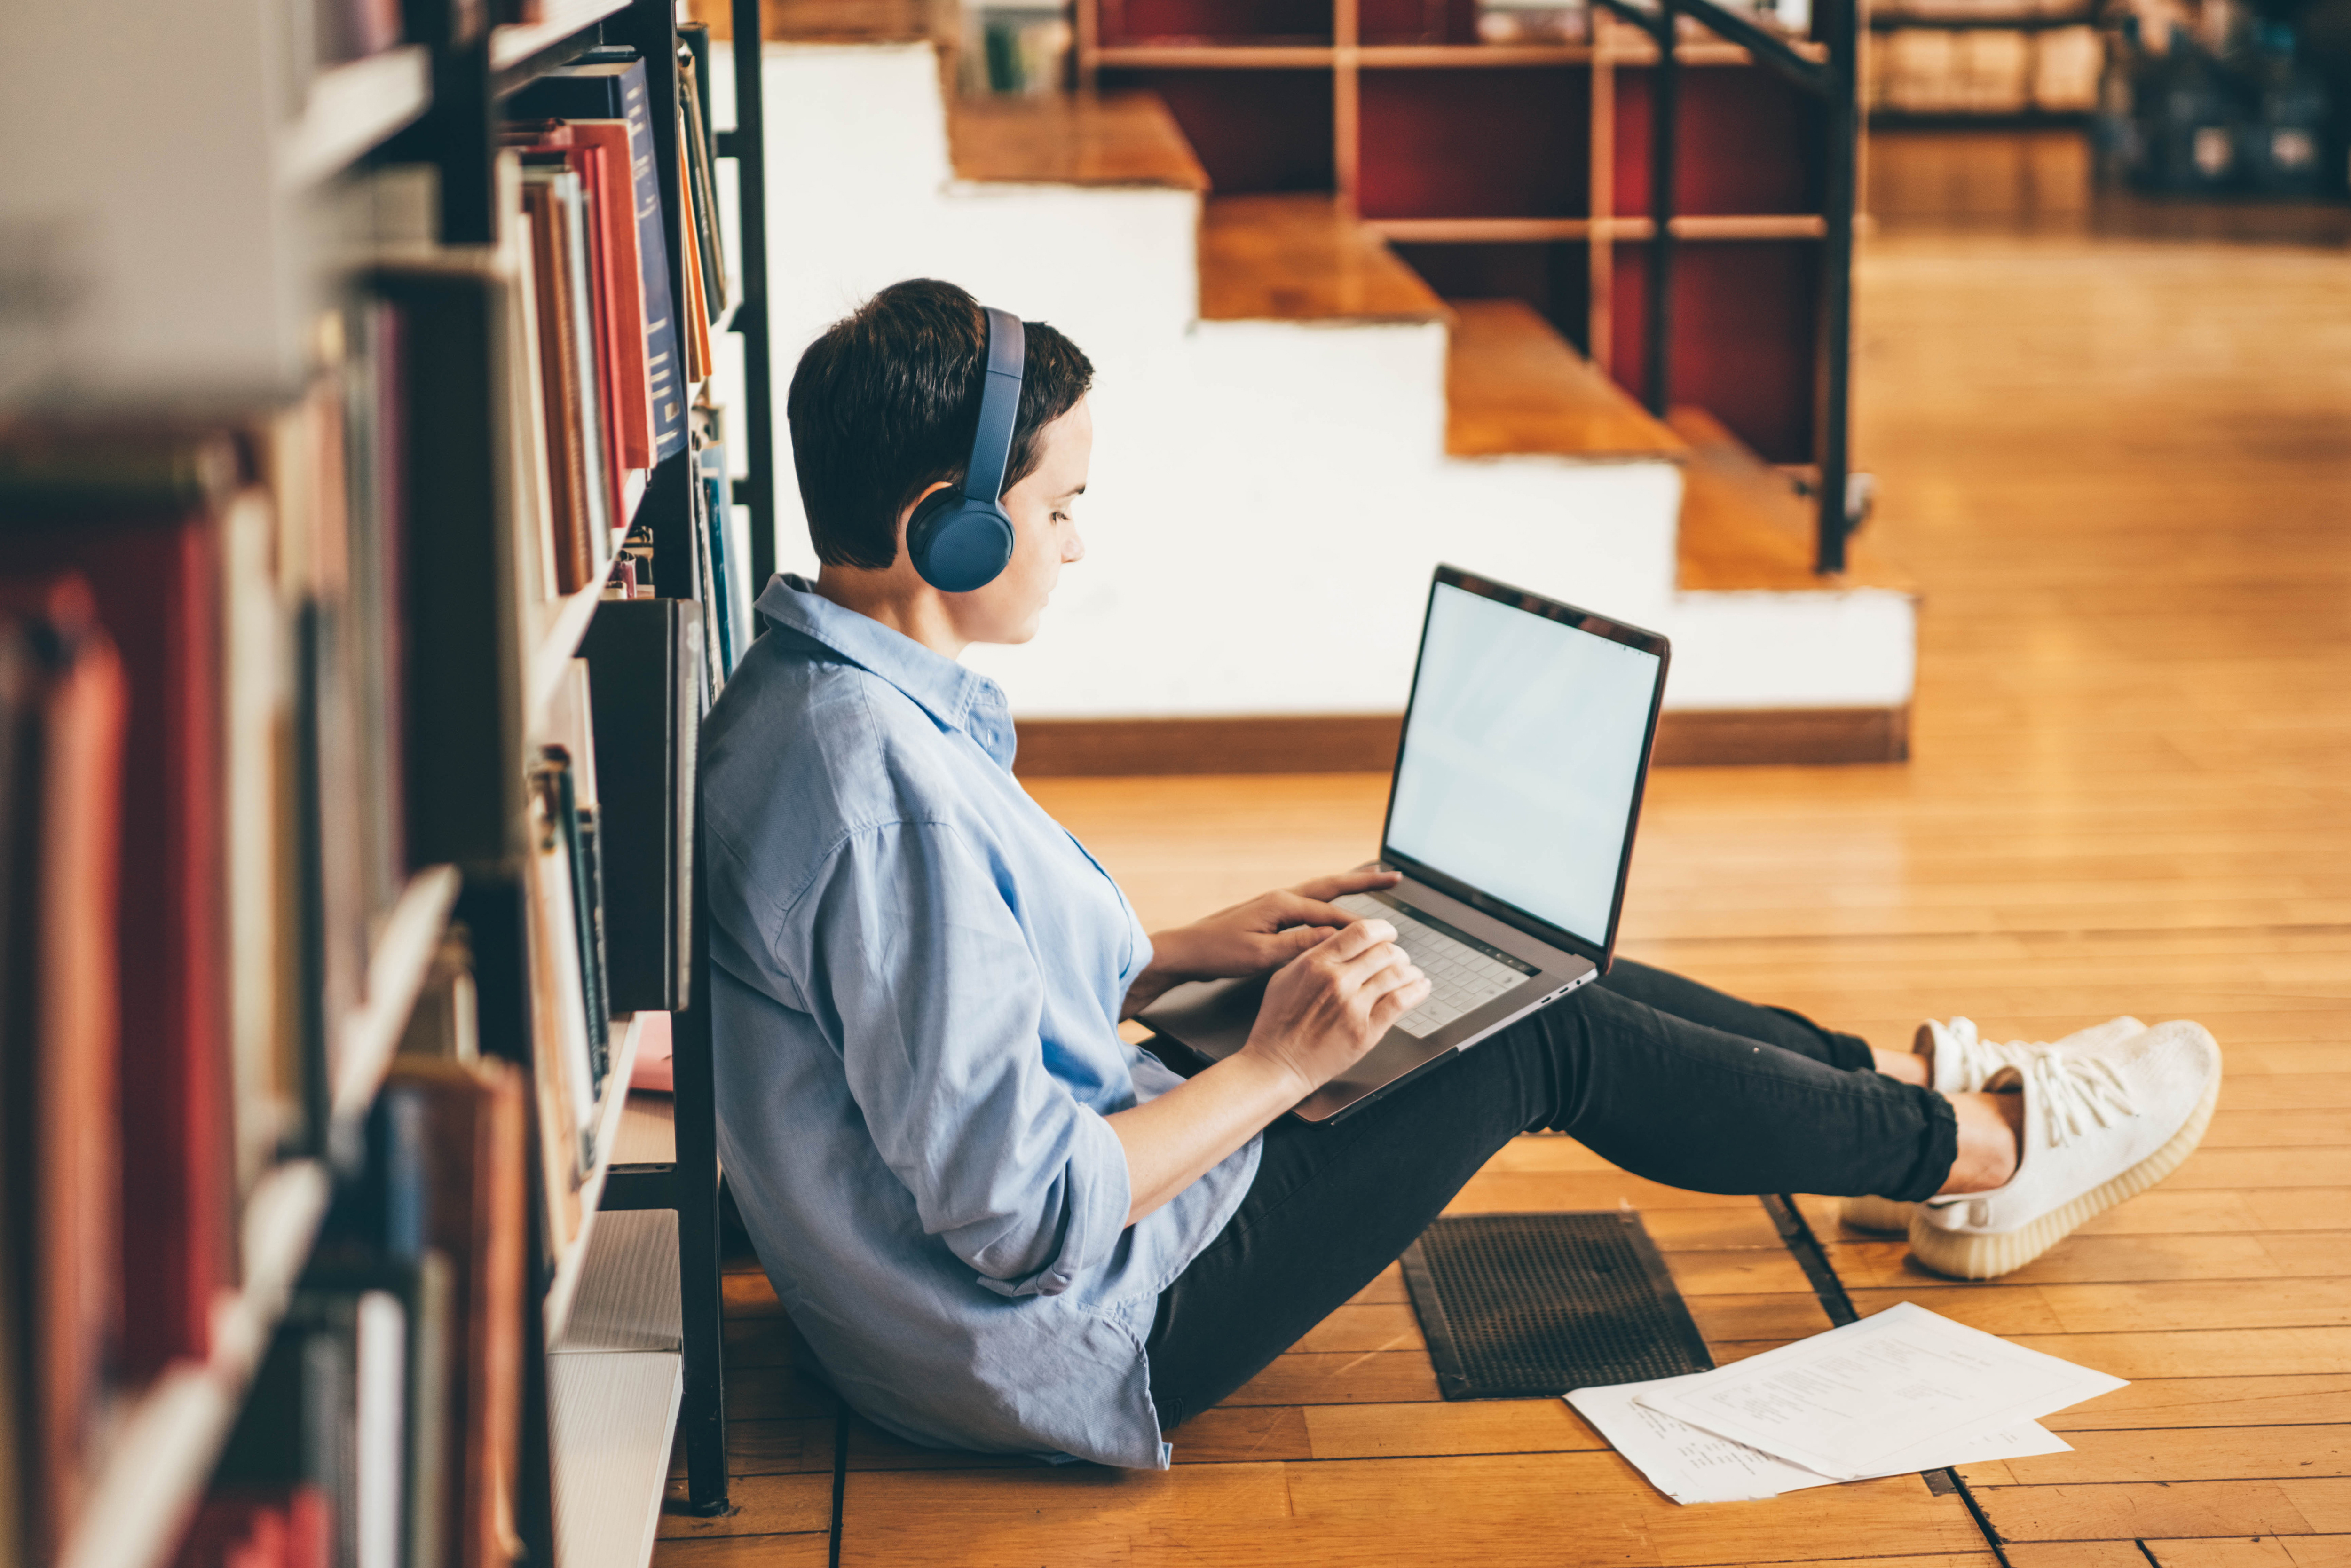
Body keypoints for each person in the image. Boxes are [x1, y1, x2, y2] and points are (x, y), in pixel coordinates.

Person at [700, 278, 2222, 1471]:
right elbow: (1018, 1215)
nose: (1079, 545)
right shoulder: (873, 785)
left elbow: (919, 1021)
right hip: (1071, 1333)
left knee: (1518, 952)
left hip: (999, 1273)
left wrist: (1169, 955)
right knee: (1528, 1026)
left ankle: (1913, 1086)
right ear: (947, 534)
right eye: (1060, 508)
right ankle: (1987, 1158)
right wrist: (1285, 1064)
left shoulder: (815, 693)